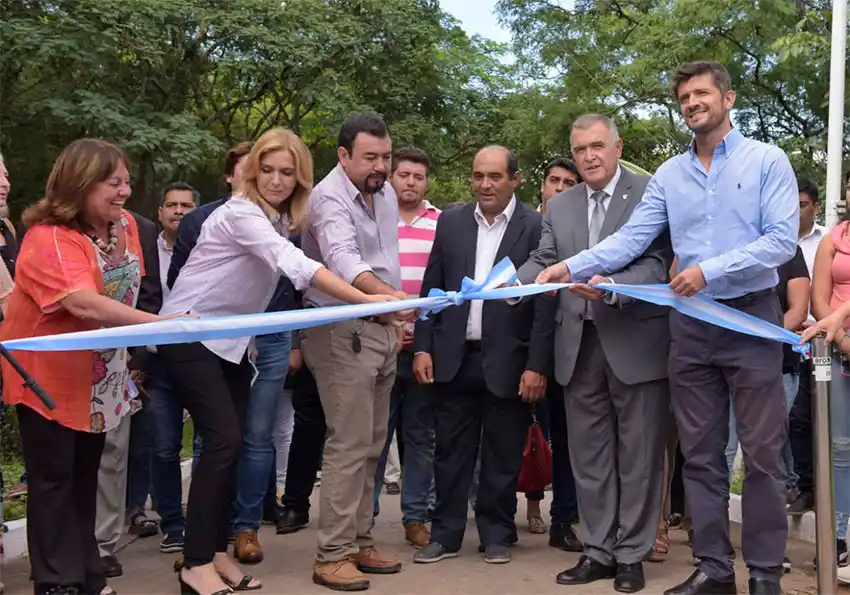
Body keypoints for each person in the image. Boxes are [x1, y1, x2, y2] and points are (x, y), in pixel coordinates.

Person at [538, 60, 799, 595]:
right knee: (699, 456)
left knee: (762, 456)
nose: (692, 103)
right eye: (684, 98)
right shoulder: (670, 176)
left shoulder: (767, 160)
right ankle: (714, 570)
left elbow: (779, 242)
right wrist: (571, 266)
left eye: (702, 93)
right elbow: (632, 239)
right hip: (692, 326)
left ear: (728, 98)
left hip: (751, 318)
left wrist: (708, 270)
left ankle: (765, 574)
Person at [159, 127, 395, 595]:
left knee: (234, 445)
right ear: (251, 172)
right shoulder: (241, 214)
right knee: (224, 442)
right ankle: (195, 563)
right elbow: (299, 266)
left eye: (287, 172)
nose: (276, 180)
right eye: (266, 169)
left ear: (299, 178)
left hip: (230, 343)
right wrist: (372, 301)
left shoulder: (279, 218)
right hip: (188, 335)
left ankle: (214, 553)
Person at [1, 138, 170, 595]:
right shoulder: (48, 238)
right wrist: (161, 325)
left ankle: (86, 574)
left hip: (99, 377)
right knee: (54, 480)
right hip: (47, 378)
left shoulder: (127, 226)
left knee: (83, 478)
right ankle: (57, 582)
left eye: (126, 182)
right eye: (113, 183)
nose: (124, 192)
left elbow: (133, 288)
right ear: (81, 183)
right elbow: (81, 302)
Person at [518, 116, 673, 593]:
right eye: (580, 149)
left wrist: (613, 286)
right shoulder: (560, 203)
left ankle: (632, 555)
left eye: (597, 146)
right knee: (588, 458)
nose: (588, 156)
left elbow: (658, 263)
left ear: (617, 147)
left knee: (639, 456)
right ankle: (598, 551)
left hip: (635, 341)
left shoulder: (649, 192)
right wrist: (504, 284)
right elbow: (545, 259)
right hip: (576, 345)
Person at [411, 145, 555, 566]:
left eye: (494, 177)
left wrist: (537, 365)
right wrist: (422, 345)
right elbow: (432, 289)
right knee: (450, 453)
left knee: (503, 452)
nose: (485, 185)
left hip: (510, 361)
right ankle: (445, 535)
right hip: (454, 357)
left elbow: (544, 302)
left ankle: (497, 533)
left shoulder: (536, 227)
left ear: (514, 179)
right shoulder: (451, 221)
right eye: (478, 176)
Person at [300, 113, 410, 591]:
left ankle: (359, 540)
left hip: (382, 329)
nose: (380, 166)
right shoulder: (327, 198)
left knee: (372, 443)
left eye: (386, 156)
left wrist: (394, 315)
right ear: (343, 155)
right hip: (340, 330)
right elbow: (344, 262)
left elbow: (388, 260)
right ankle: (332, 555)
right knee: (348, 443)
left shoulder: (384, 193)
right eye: (370, 157)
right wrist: (390, 300)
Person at [371, 146, 440, 547]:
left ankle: (416, 517)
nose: (410, 182)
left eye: (418, 176)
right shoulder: (374, 219)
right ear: (391, 177)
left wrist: (423, 334)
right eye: (404, 175)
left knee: (421, 437)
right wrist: (390, 323)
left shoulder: (441, 223)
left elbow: (445, 284)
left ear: (426, 181)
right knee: (374, 437)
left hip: (423, 349)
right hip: (379, 342)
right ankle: (364, 520)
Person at [534, 156, 582, 550]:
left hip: (569, 347)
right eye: (555, 180)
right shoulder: (524, 224)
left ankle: (563, 518)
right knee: (520, 432)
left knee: (566, 438)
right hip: (522, 349)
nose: (560, 189)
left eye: (569, 183)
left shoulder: (584, 229)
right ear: (542, 185)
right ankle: (510, 513)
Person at [810, 213, 850, 569]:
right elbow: (818, 302)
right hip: (840, 353)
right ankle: (836, 536)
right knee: (839, 447)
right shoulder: (832, 241)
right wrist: (843, 339)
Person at [788, 175, 827, 517]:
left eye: (801, 204)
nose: (795, 210)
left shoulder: (827, 241)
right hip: (789, 338)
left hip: (825, 339)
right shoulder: (775, 241)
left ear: (815, 206)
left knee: (827, 421)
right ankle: (804, 487)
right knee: (796, 418)